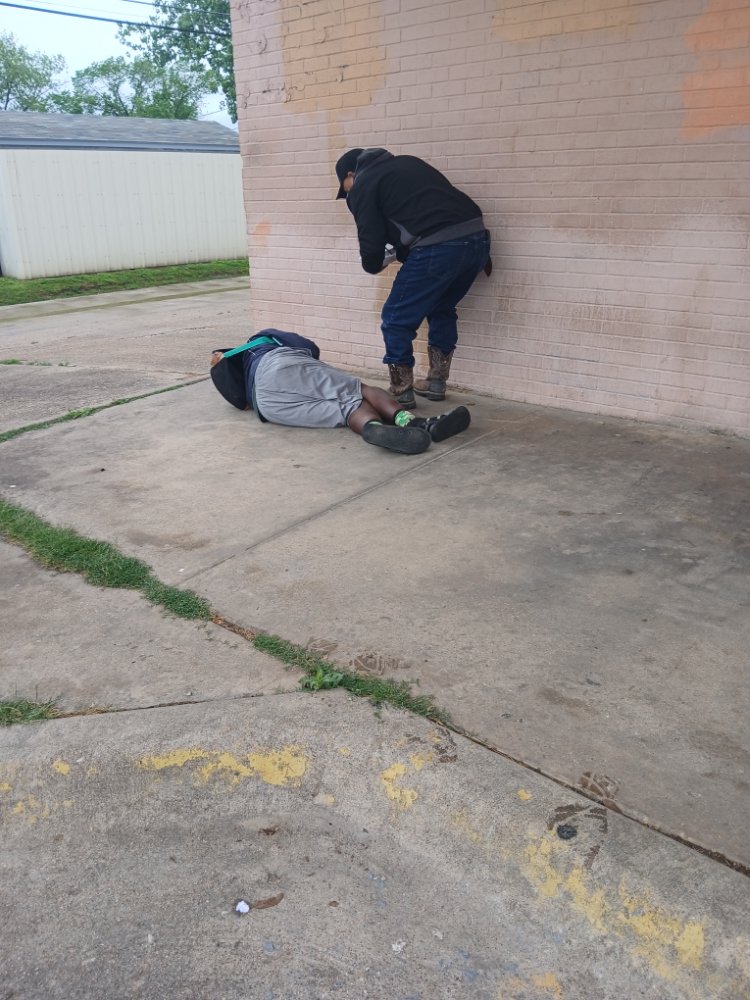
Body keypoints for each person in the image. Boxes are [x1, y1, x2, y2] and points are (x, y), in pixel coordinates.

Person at [335, 147, 491, 408]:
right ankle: (436, 382)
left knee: (396, 319)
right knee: (441, 308)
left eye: (345, 187)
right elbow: (426, 211)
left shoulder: (364, 184)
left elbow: (370, 237)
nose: (348, 193)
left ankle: (401, 391)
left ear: (351, 174)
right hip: (477, 241)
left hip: (438, 248)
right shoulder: (408, 163)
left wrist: (373, 264)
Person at [210, 329, 471, 455]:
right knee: (359, 390)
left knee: (347, 409)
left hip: (267, 406)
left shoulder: (241, 373)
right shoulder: (263, 340)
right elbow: (310, 348)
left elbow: (241, 403)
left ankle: (372, 428)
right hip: (280, 366)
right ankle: (417, 423)